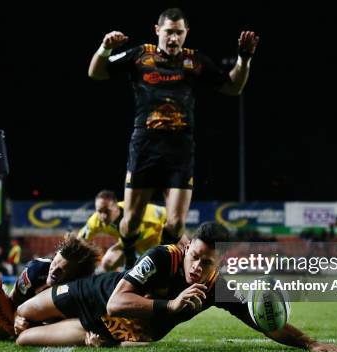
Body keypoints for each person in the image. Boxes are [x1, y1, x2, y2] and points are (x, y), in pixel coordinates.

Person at [88, 8, 259, 268]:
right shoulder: (140, 55)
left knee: (177, 223)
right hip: (144, 145)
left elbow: (233, 87)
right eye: (168, 32)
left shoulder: (196, 61)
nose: (173, 38)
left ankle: (158, 268)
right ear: (158, 30)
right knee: (132, 219)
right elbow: (96, 73)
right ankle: (131, 260)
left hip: (180, 149)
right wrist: (104, 48)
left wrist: (244, 58)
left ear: (186, 33)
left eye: (179, 33)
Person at [15, 223, 337, 352]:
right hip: (92, 293)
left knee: (24, 337)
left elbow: (263, 321)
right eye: (196, 257)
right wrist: (172, 307)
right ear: (187, 248)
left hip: (106, 330)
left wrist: (309, 342)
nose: (198, 268)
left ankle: (56, 327)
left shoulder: (217, 286)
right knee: (20, 314)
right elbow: (117, 302)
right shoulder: (162, 257)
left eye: (208, 263)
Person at [0, 233, 100, 341]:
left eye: (62, 270)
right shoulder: (35, 270)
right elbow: (14, 303)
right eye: (55, 263)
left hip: (47, 319)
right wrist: (17, 319)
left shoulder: (81, 288)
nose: (53, 271)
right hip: (25, 307)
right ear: (56, 254)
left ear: (75, 276)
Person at [79, 190, 166, 271]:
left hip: (153, 244)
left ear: (116, 207)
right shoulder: (96, 220)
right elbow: (80, 241)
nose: (103, 216)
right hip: (126, 244)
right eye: (99, 211)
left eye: (107, 211)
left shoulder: (144, 212)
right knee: (107, 263)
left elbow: (173, 219)